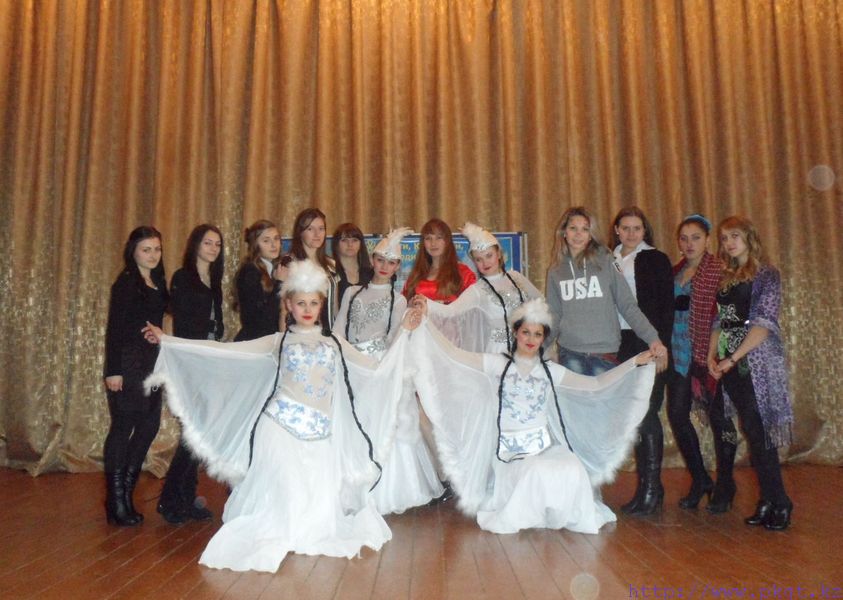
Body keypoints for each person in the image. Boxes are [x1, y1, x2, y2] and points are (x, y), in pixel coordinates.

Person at [144, 260, 418, 572]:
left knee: (316, 503)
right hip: (280, 428)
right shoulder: (277, 341)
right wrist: (169, 341)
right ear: (288, 304)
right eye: (300, 303)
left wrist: (404, 333)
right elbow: (224, 351)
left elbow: (377, 369)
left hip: (321, 434)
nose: (307, 309)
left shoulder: (335, 343)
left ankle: (308, 529)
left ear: (321, 305)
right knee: (283, 498)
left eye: (313, 303)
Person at [410, 298, 656, 534]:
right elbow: (453, 354)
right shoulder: (498, 364)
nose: (530, 339)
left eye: (537, 334)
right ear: (516, 333)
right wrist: (425, 323)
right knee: (535, 470)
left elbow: (596, 384)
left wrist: (634, 363)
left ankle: (561, 513)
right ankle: (528, 512)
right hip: (510, 453)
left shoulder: (550, 371)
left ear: (543, 338)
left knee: (572, 467)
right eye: (526, 332)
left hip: (542, 446)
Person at [334, 228, 444, 513]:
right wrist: (344, 359)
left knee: (390, 422)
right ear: (372, 260)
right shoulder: (352, 293)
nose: (385, 266)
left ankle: (395, 489)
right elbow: (338, 329)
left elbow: (396, 336)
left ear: (397, 267)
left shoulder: (398, 299)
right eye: (381, 260)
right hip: (352, 365)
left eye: (391, 262)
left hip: (382, 366)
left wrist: (381, 365)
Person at [707, 216, 793, 530]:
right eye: (724, 238)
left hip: (755, 361)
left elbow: (764, 324)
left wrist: (733, 358)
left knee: (760, 433)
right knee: (752, 431)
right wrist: (712, 355)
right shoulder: (726, 277)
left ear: (749, 238)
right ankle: (767, 500)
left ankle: (780, 502)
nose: (729, 243)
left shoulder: (767, 274)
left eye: (735, 236)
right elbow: (720, 321)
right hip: (730, 360)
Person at [665, 215, 738, 512]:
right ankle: (701, 479)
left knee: (720, 418)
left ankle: (726, 483)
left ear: (707, 240)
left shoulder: (720, 271)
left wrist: (714, 353)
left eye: (695, 237)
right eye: (684, 238)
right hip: (679, 354)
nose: (689, 244)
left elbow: (725, 317)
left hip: (711, 353)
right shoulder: (675, 272)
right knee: (677, 415)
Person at [545, 206, 667, 376]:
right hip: (570, 352)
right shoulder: (555, 271)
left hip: (605, 353)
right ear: (564, 232)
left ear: (591, 234)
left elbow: (627, 305)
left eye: (585, 229)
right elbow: (553, 315)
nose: (578, 234)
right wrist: (537, 347)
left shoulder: (607, 260)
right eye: (573, 228)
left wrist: (653, 339)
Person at [157, 224, 224, 524]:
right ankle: (171, 499)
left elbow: (215, 323)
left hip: (210, 359)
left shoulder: (214, 279)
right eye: (208, 243)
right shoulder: (183, 277)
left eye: (217, 244)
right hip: (192, 361)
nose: (213, 249)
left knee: (198, 434)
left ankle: (185, 496)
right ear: (195, 245)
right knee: (192, 432)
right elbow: (183, 324)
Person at [610, 207, 674, 516]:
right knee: (633, 414)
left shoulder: (656, 259)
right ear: (617, 230)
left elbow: (665, 308)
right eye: (625, 228)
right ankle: (650, 488)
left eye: (637, 228)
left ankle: (650, 488)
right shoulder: (608, 259)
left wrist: (661, 346)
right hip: (620, 343)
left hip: (649, 341)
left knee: (647, 412)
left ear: (644, 231)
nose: (631, 233)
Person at [103, 226, 169, 526]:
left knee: (149, 426)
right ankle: (116, 501)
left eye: (157, 249)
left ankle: (126, 496)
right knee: (123, 427)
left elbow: (155, 322)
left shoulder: (157, 282)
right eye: (146, 249)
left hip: (151, 363)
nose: (153, 255)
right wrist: (113, 371)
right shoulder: (126, 283)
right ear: (133, 252)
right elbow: (115, 329)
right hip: (128, 363)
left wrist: (160, 334)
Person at [420, 222, 542, 354]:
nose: (485, 263)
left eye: (489, 256)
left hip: (527, 348)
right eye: (479, 259)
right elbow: (451, 311)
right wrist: (426, 303)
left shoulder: (516, 277)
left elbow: (540, 301)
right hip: (499, 352)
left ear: (499, 254)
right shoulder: (477, 290)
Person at [285, 208, 339, 329]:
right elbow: (283, 309)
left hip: (329, 331)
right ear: (300, 232)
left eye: (321, 229)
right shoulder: (290, 263)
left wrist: (338, 333)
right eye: (310, 229)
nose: (317, 234)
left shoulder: (331, 264)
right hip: (300, 333)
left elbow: (334, 306)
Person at [402, 218, 476, 304]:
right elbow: (402, 303)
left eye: (439, 237)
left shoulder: (463, 272)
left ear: (447, 241)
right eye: (428, 238)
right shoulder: (416, 274)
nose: (433, 243)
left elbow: (472, 305)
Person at [233, 220, 283, 341]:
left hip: (269, 341)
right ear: (255, 245)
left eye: (276, 238)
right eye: (266, 241)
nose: (273, 245)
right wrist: (279, 283)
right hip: (254, 342)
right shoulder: (249, 272)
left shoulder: (275, 269)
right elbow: (258, 319)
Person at [332, 222, 373, 303]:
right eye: (344, 240)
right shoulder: (331, 273)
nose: (350, 244)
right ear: (336, 244)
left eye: (355, 240)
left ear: (361, 244)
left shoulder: (370, 274)